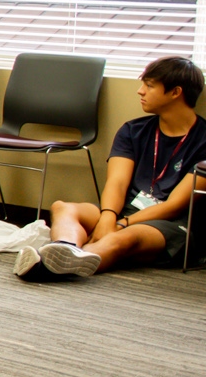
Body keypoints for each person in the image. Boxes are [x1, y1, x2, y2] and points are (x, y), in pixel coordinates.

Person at [16, 56, 206, 281]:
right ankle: (64, 248)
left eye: (149, 85)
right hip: (124, 211)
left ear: (175, 92)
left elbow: (175, 206)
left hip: (171, 225)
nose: (140, 91)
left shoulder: (203, 139)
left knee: (124, 237)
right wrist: (108, 218)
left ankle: (48, 267)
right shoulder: (132, 131)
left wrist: (119, 224)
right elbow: (117, 182)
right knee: (62, 208)